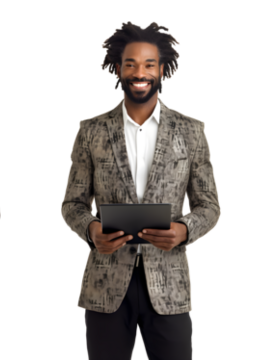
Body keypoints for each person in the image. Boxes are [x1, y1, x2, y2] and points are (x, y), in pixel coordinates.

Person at [59, 20, 221, 360]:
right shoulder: (91, 130)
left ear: (163, 69)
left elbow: (210, 206)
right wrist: (91, 230)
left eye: (149, 64)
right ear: (117, 68)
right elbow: (72, 203)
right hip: (105, 285)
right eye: (130, 64)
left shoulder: (191, 131)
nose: (139, 72)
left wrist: (184, 229)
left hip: (170, 286)